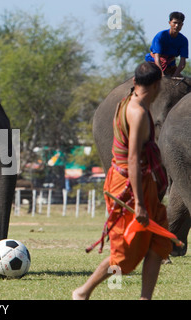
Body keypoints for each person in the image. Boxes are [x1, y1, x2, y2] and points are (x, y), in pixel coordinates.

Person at [73, 62, 172, 300]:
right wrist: (138, 203)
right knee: (124, 255)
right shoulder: (137, 113)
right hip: (127, 186)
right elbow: (134, 158)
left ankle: (145, 298)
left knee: (159, 242)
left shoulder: (130, 101)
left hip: (141, 182)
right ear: (157, 85)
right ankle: (82, 292)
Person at [145, 12, 188, 77]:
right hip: (154, 64)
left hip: (170, 67)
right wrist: (162, 75)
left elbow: (182, 63)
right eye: (175, 23)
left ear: (182, 25)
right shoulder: (161, 36)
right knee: (146, 79)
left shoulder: (183, 40)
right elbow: (157, 57)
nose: (176, 25)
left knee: (185, 85)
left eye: (179, 23)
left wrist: (175, 75)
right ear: (170, 23)